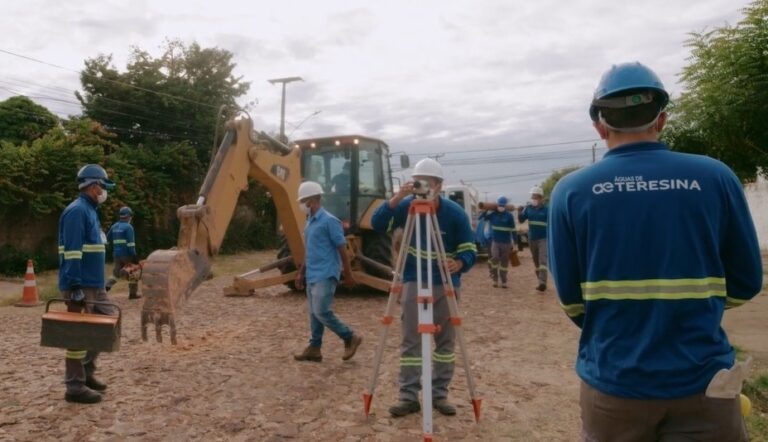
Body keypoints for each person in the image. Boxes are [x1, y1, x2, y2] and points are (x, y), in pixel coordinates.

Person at [548, 62, 762, 441]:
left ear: (600, 126)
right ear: (661, 120)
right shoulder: (716, 176)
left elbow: (571, 300)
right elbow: (746, 283)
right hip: (705, 383)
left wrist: (625, 322)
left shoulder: (571, 191)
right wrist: (693, 309)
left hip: (614, 383)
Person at [371, 158, 477, 418]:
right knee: (411, 343)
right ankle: (408, 396)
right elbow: (376, 223)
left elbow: (469, 247)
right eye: (419, 183)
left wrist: (460, 262)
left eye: (428, 183)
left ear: (439, 185)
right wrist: (397, 198)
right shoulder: (405, 207)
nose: (424, 188)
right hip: (412, 279)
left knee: (445, 343)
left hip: (445, 284)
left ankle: (439, 395)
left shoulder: (455, 213)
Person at [57, 164, 118, 404]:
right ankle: (74, 387)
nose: (105, 191)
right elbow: (71, 252)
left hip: (96, 284)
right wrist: (74, 287)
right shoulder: (76, 212)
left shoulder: (91, 211)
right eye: (104, 186)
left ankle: (87, 371)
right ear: (93, 186)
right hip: (80, 285)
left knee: (109, 322)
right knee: (79, 335)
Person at [293, 181, 363, 363]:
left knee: (321, 311)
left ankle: (349, 337)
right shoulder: (309, 223)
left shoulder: (330, 221)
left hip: (326, 273)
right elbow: (309, 250)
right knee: (313, 313)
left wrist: (348, 274)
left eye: (303, 200)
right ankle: (314, 348)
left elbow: (342, 249)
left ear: (312, 200)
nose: (301, 204)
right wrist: (301, 272)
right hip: (312, 274)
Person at [478, 196, 515, 288]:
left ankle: (504, 281)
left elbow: (512, 229)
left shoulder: (509, 216)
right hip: (495, 242)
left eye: (502, 205)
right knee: (494, 258)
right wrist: (486, 209)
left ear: (505, 206)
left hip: (506, 242)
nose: (500, 207)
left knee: (504, 262)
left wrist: (513, 241)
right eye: (499, 205)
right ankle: (495, 279)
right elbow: (481, 218)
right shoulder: (493, 214)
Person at [518, 186, 548, 291]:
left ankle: (542, 282)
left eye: (535, 197)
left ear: (540, 198)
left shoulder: (547, 209)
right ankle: (540, 280)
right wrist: (519, 212)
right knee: (536, 262)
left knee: (543, 261)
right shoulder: (528, 208)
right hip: (532, 239)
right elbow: (521, 220)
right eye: (532, 196)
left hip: (544, 238)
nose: (533, 199)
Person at [106, 206, 140, 299]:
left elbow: (107, 239)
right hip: (127, 255)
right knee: (133, 273)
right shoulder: (128, 227)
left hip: (116, 254)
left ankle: (106, 287)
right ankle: (133, 294)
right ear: (129, 216)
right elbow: (130, 244)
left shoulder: (114, 226)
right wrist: (134, 256)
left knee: (116, 274)